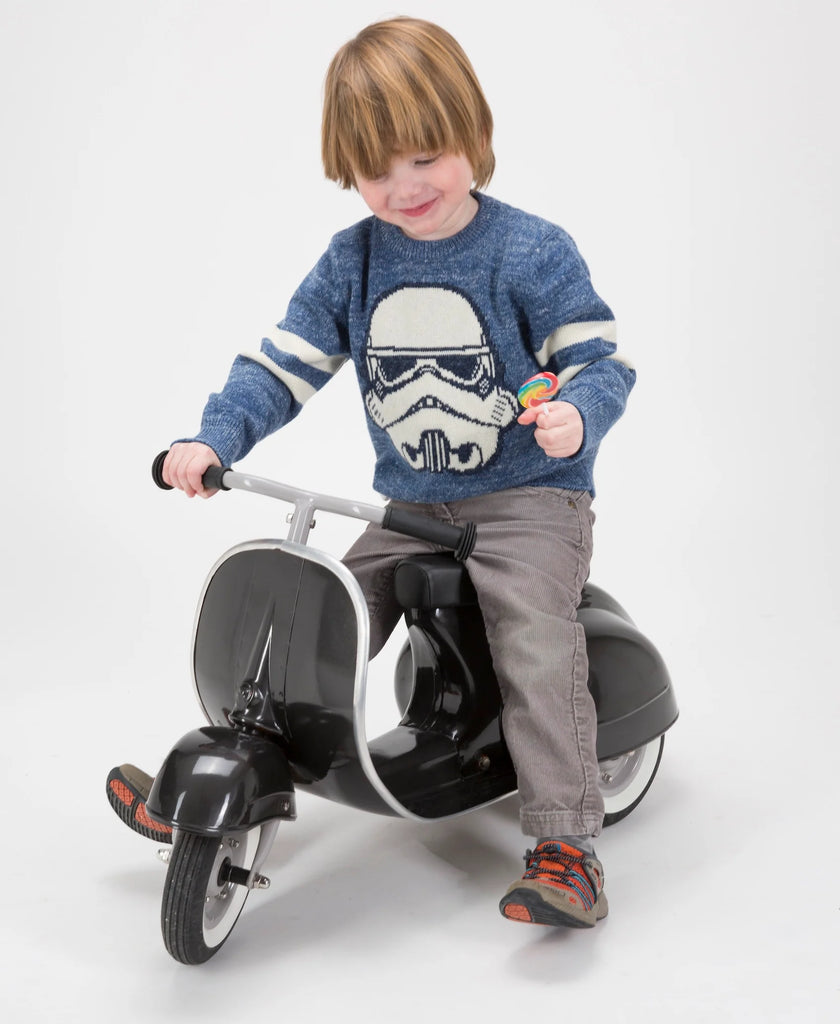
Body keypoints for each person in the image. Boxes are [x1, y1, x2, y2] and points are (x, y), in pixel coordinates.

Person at [107, 16, 635, 930]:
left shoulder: (529, 249)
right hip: (413, 505)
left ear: (473, 136)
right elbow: (280, 365)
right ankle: (233, 768)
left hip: (527, 501)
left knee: (533, 638)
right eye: (375, 169)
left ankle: (565, 844)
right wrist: (215, 439)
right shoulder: (353, 261)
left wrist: (574, 415)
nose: (403, 187)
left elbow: (599, 362)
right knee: (313, 611)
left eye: (424, 156)